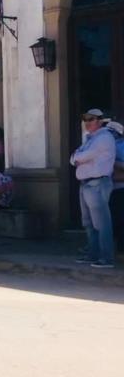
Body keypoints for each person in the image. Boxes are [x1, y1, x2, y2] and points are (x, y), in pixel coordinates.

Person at [70, 109, 117, 268]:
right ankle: (93, 254)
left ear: (100, 121)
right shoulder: (90, 138)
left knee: (101, 223)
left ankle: (106, 257)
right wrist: (78, 158)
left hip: (97, 183)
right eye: (86, 120)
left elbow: (82, 156)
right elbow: (73, 158)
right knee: (88, 223)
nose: (88, 122)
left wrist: (79, 158)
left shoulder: (104, 138)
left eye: (92, 119)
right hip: (85, 183)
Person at [107, 120, 124, 254]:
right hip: (110, 188)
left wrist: (112, 162)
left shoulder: (120, 146)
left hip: (120, 188)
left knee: (118, 220)